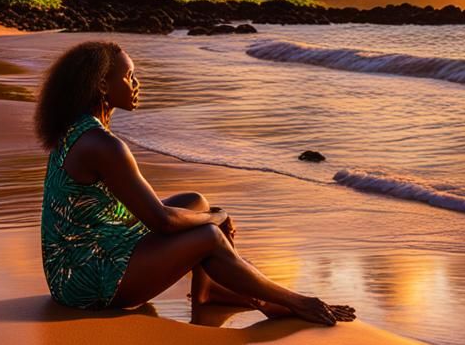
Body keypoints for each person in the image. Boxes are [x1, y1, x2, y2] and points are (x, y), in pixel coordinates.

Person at [36, 41, 356, 326]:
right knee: (208, 234)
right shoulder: (102, 145)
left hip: (86, 257)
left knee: (195, 201)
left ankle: (207, 292)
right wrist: (217, 217)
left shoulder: (79, 129)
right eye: (129, 76)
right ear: (103, 85)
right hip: (84, 282)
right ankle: (292, 301)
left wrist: (209, 213)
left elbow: (151, 214)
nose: (136, 84)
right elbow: (161, 221)